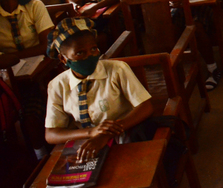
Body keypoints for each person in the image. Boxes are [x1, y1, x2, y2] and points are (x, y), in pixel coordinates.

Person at [45, 17, 154, 160]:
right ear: (63, 59)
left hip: (126, 133)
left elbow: (145, 106)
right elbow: (51, 134)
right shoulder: (57, 85)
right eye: (80, 53)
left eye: (93, 49)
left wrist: (106, 134)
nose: (90, 56)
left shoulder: (117, 69)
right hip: (87, 141)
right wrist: (91, 133)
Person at [0, 0, 54, 68]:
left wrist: (11, 57)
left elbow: (46, 45)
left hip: (38, 59)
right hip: (8, 67)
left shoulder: (35, 6)